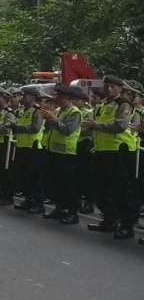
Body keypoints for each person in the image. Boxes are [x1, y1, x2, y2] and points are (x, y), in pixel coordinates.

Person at [83, 75, 137, 239]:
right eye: (107, 86)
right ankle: (109, 220)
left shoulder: (123, 104)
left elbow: (120, 126)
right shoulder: (101, 105)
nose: (109, 89)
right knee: (99, 189)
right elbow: (95, 126)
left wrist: (96, 125)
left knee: (121, 190)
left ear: (120, 88)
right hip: (102, 151)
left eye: (113, 86)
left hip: (119, 151)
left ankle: (127, 226)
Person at [39, 84, 84, 224]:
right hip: (54, 151)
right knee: (56, 183)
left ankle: (72, 212)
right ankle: (59, 208)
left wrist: (52, 118)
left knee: (68, 185)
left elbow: (67, 130)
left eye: (60, 96)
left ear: (68, 98)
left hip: (67, 153)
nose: (57, 98)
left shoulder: (74, 112)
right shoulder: (59, 111)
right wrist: (49, 118)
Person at [11, 87, 47, 213]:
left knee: (35, 177)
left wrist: (18, 127)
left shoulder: (37, 111)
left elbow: (35, 128)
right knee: (24, 175)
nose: (22, 97)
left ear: (32, 97)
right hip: (22, 147)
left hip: (34, 148)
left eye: (25, 95)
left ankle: (38, 203)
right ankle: (28, 199)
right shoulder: (23, 111)